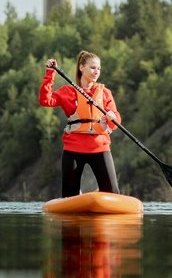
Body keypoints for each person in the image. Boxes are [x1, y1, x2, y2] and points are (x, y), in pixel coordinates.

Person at [39, 51, 123, 197]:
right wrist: (50, 74)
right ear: (81, 68)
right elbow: (45, 101)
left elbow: (116, 122)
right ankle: (77, 196)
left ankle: (95, 197)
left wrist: (112, 117)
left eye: (99, 68)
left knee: (113, 193)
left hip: (100, 148)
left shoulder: (105, 93)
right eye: (92, 67)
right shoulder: (68, 92)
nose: (96, 71)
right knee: (69, 195)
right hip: (74, 149)